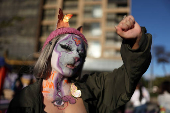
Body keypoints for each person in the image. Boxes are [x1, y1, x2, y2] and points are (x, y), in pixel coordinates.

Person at [7, 8, 152, 113]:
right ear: (49, 51)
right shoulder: (23, 102)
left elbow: (129, 75)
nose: (76, 55)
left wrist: (137, 41)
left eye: (81, 53)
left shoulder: (94, 88)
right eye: (67, 47)